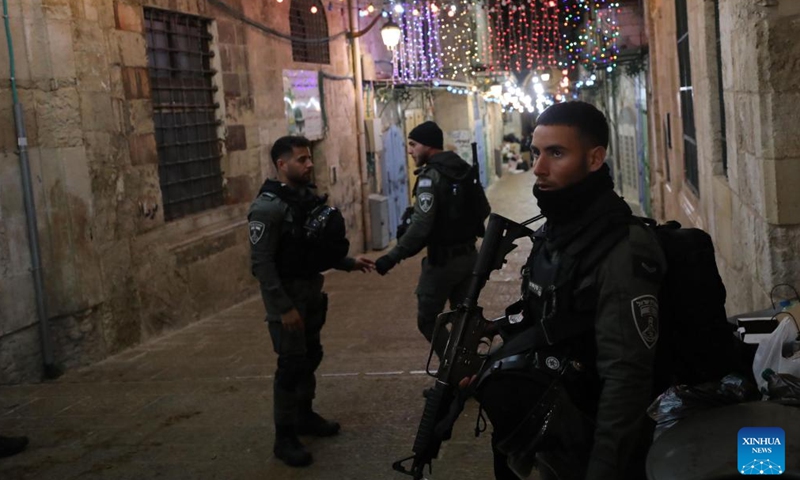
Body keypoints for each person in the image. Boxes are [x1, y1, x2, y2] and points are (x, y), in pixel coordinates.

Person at [475, 102, 666, 480]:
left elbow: (626, 377)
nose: (538, 167)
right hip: (561, 429)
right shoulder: (556, 231)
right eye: (536, 153)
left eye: (556, 153)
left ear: (594, 159)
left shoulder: (621, 248)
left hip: (597, 442)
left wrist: (603, 468)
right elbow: (551, 317)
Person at [248, 136, 375, 467]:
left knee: (310, 355)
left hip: (310, 291)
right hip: (288, 296)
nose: (309, 164)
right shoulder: (267, 208)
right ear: (281, 164)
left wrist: (348, 262)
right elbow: (262, 264)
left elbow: (310, 248)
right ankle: (284, 437)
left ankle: (304, 415)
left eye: (309, 158)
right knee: (290, 365)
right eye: (301, 159)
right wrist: (283, 308)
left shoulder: (303, 199)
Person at [375, 121, 491, 363]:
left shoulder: (430, 177)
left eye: (413, 145)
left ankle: (453, 368)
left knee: (428, 319)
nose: (410, 151)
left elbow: (421, 225)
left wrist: (392, 257)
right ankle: (467, 369)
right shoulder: (463, 169)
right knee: (462, 319)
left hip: (442, 263)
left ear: (427, 145)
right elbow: (484, 209)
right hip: (470, 258)